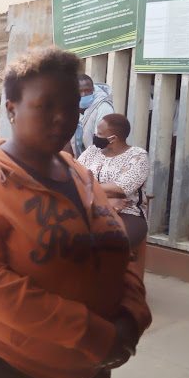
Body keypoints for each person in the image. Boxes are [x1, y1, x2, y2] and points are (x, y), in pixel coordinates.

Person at [0, 48, 151, 378]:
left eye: (72, 106)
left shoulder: (81, 174)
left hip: (87, 368)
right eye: (46, 106)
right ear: (12, 109)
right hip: (6, 367)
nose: (63, 118)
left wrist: (131, 316)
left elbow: (118, 249)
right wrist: (96, 335)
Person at [79, 114, 150, 277]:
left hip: (128, 213)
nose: (96, 136)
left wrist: (92, 189)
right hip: (91, 209)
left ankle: (113, 291)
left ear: (114, 138)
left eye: (100, 134)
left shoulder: (138, 156)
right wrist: (108, 199)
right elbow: (75, 177)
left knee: (112, 245)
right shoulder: (92, 151)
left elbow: (122, 188)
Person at [71, 74, 114, 157]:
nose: (83, 94)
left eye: (87, 91)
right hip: (80, 159)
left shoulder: (103, 107)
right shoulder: (71, 105)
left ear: (93, 90)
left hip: (99, 158)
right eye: (79, 91)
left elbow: (102, 142)